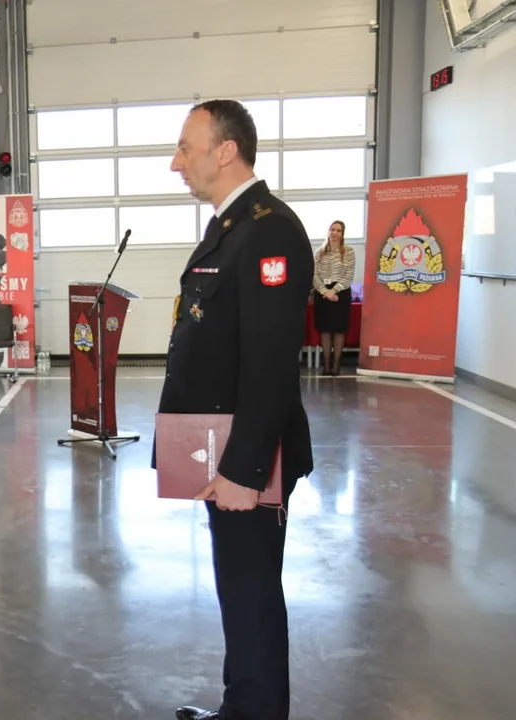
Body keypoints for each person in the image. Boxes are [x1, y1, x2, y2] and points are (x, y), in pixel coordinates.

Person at [156, 99, 314, 720]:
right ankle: (242, 706)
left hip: (247, 457)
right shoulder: (232, 225)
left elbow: (271, 364)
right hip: (219, 445)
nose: (176, 163)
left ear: (225, 151)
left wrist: (244, 471)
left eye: (185, 148)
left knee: (251, 592)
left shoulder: (269, 230)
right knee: (239, 588)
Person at [312, 220, 356, 376]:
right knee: (324, 330)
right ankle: (326, 364)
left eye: (339, 230)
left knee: (339, 330)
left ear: (343, 234)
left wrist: (334, 291)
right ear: (328, 231)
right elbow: (315, 276)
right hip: (322, 293)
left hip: (341, 293)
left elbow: (349, 276)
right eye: (333, 229)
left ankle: (336, 365)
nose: (335, 233)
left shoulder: (349, 252)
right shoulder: (319, 252)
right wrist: (325, 292)